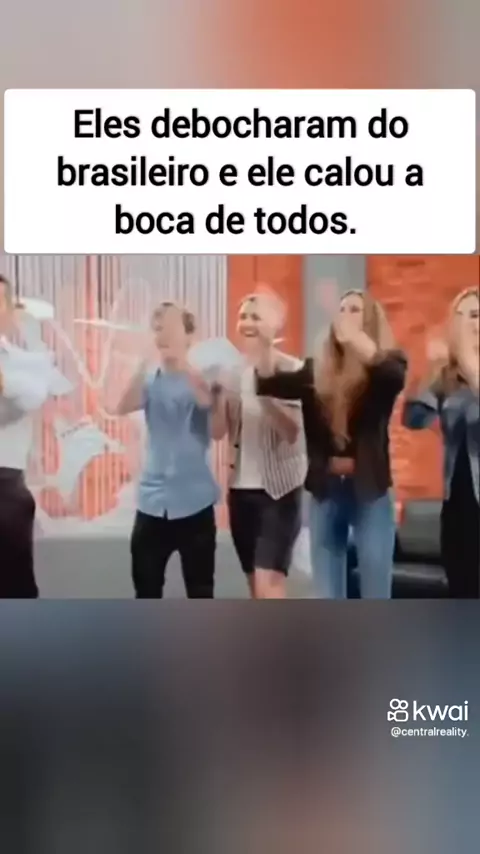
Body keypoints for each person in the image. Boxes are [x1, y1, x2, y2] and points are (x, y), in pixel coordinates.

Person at [255, 289, 407, 599]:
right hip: (326, 491)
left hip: (371, 491)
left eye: (354, 310)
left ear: (369, 322)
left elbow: (392, 377)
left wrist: (356, 339)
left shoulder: (387, 365)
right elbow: (269, 383)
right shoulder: (316, 371)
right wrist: (265, 343)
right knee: (326, 592)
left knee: (376, 589)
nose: (344, 315)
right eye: (341, 309)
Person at [111, 302, 222, 598]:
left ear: (189, 335)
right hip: (152, 502)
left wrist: (188, 369)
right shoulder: (149, 381)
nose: (164, 334)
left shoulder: (204, 379)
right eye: (158, 328)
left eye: (172, 327)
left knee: (200, 593)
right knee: (146, 592)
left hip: (195, 502)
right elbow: (120, 406)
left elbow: (215, 424)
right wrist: (142, 361)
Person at [213, 293, 306, 599]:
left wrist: (264, 392)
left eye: (256, 316)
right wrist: (216, 396)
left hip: (279, 491)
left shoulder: (293, 369)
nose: (247, 323)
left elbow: (292, 432)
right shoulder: (231, 372)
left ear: (275, 324)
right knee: (256, 586)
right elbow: (217, 432)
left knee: (269, 584)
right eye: (243, 316)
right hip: (240, 491)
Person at [403, 287, 479, 598]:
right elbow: (413, 418)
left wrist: (472, 368)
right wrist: (428, 371)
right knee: (461, 592)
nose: (469, 322)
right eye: (460, 316)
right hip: (456, 503)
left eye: (475, 314)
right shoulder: (448, 376)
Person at [0, 274, 68, 598]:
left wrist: (3, 381)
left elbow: (33, 396)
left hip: (5, 490)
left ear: (10, 311)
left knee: (15, 588)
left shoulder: (26, 363)